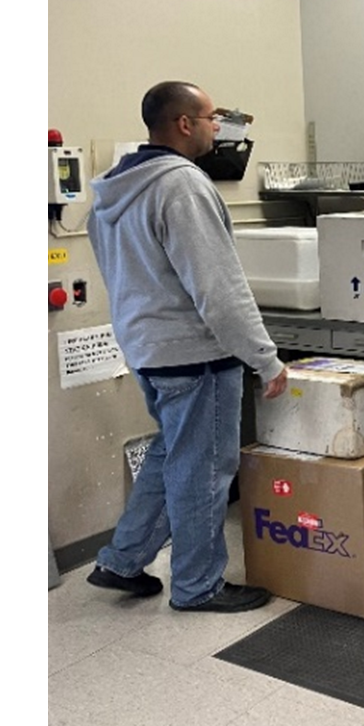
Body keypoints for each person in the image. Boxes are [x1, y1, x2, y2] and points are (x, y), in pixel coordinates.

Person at [82, 80, 288, 613]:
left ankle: (122, 559)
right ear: (183, 124)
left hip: (148, 349)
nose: (218, 127)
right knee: (203, 471)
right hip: (195, 356)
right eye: (211, 117)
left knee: (173, 455)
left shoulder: (112, 190)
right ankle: (199, 586)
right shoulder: (183, 187)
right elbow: (219, 291)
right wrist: (265, 359)